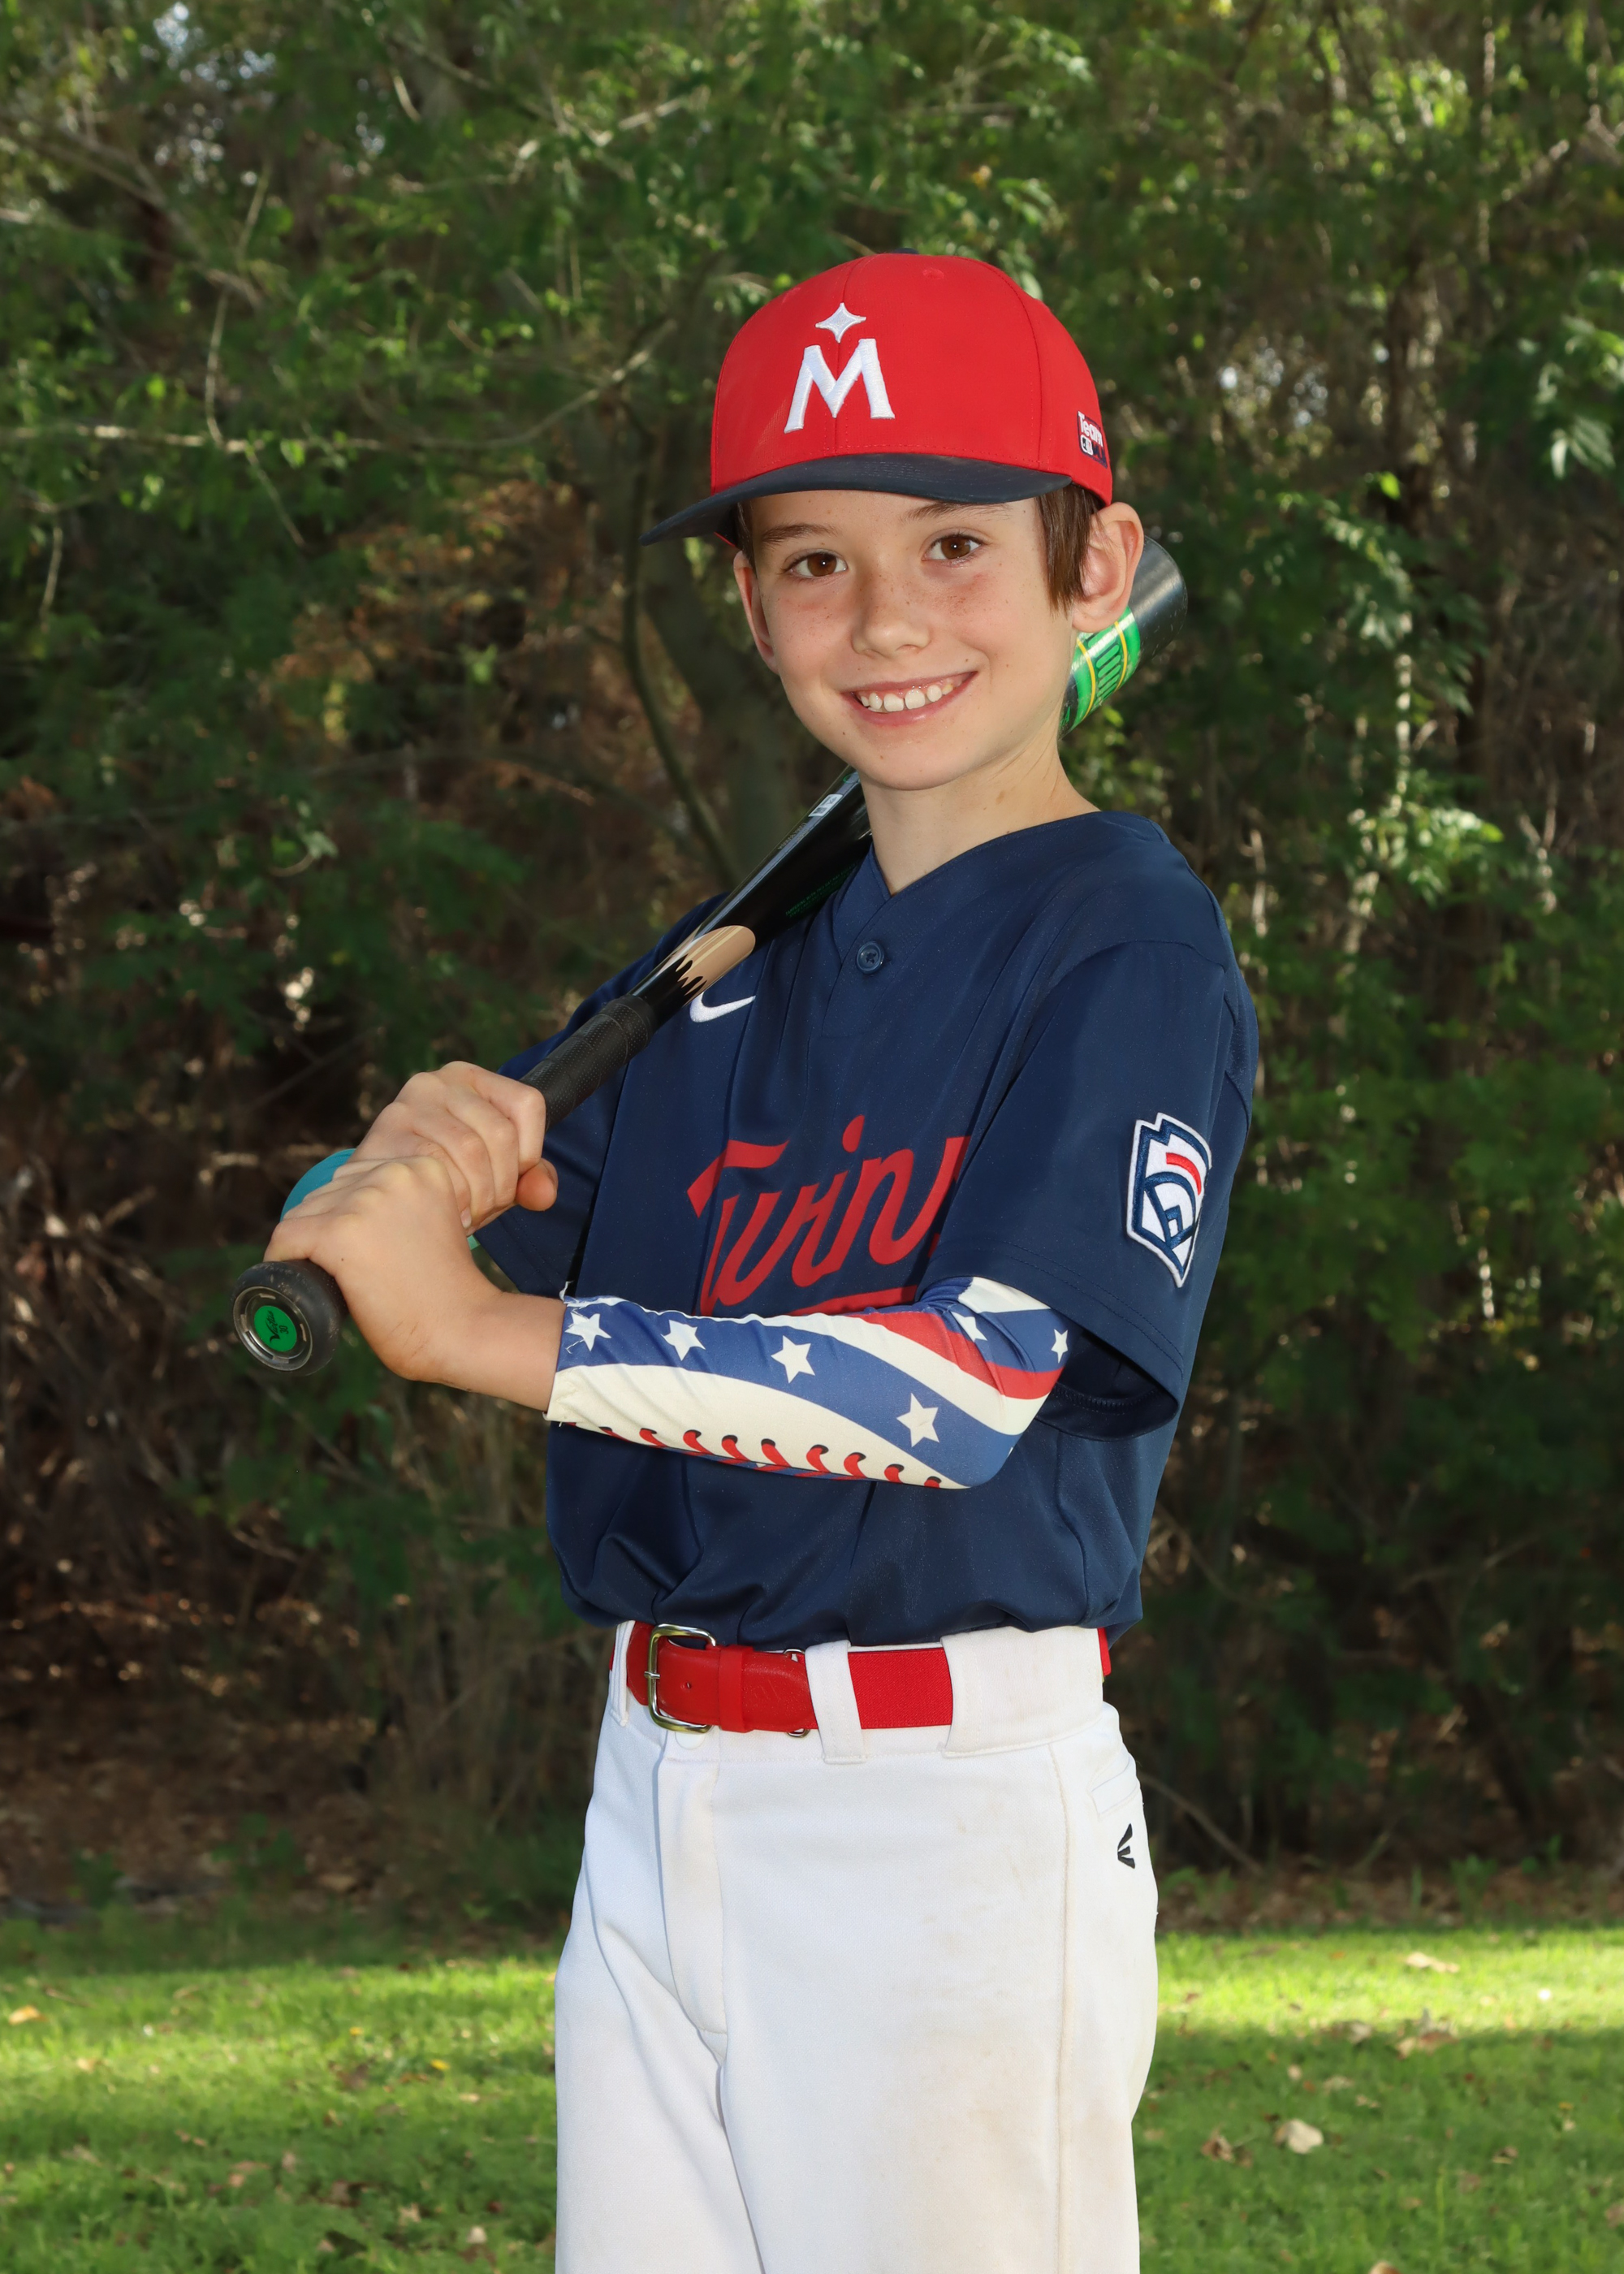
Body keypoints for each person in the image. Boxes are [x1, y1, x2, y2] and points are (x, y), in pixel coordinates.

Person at [267, 251, 1258, 2273]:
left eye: (955, 542)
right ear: (748, 603)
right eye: (814, 559)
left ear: (1095, 568)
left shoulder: (1125, 945)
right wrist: (385, 1174)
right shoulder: (722, 977)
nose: (885, 616)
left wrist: (491, 1330)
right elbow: (442, 1238)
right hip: (659, 1783)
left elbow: (967, 1386)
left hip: (941, 1819)